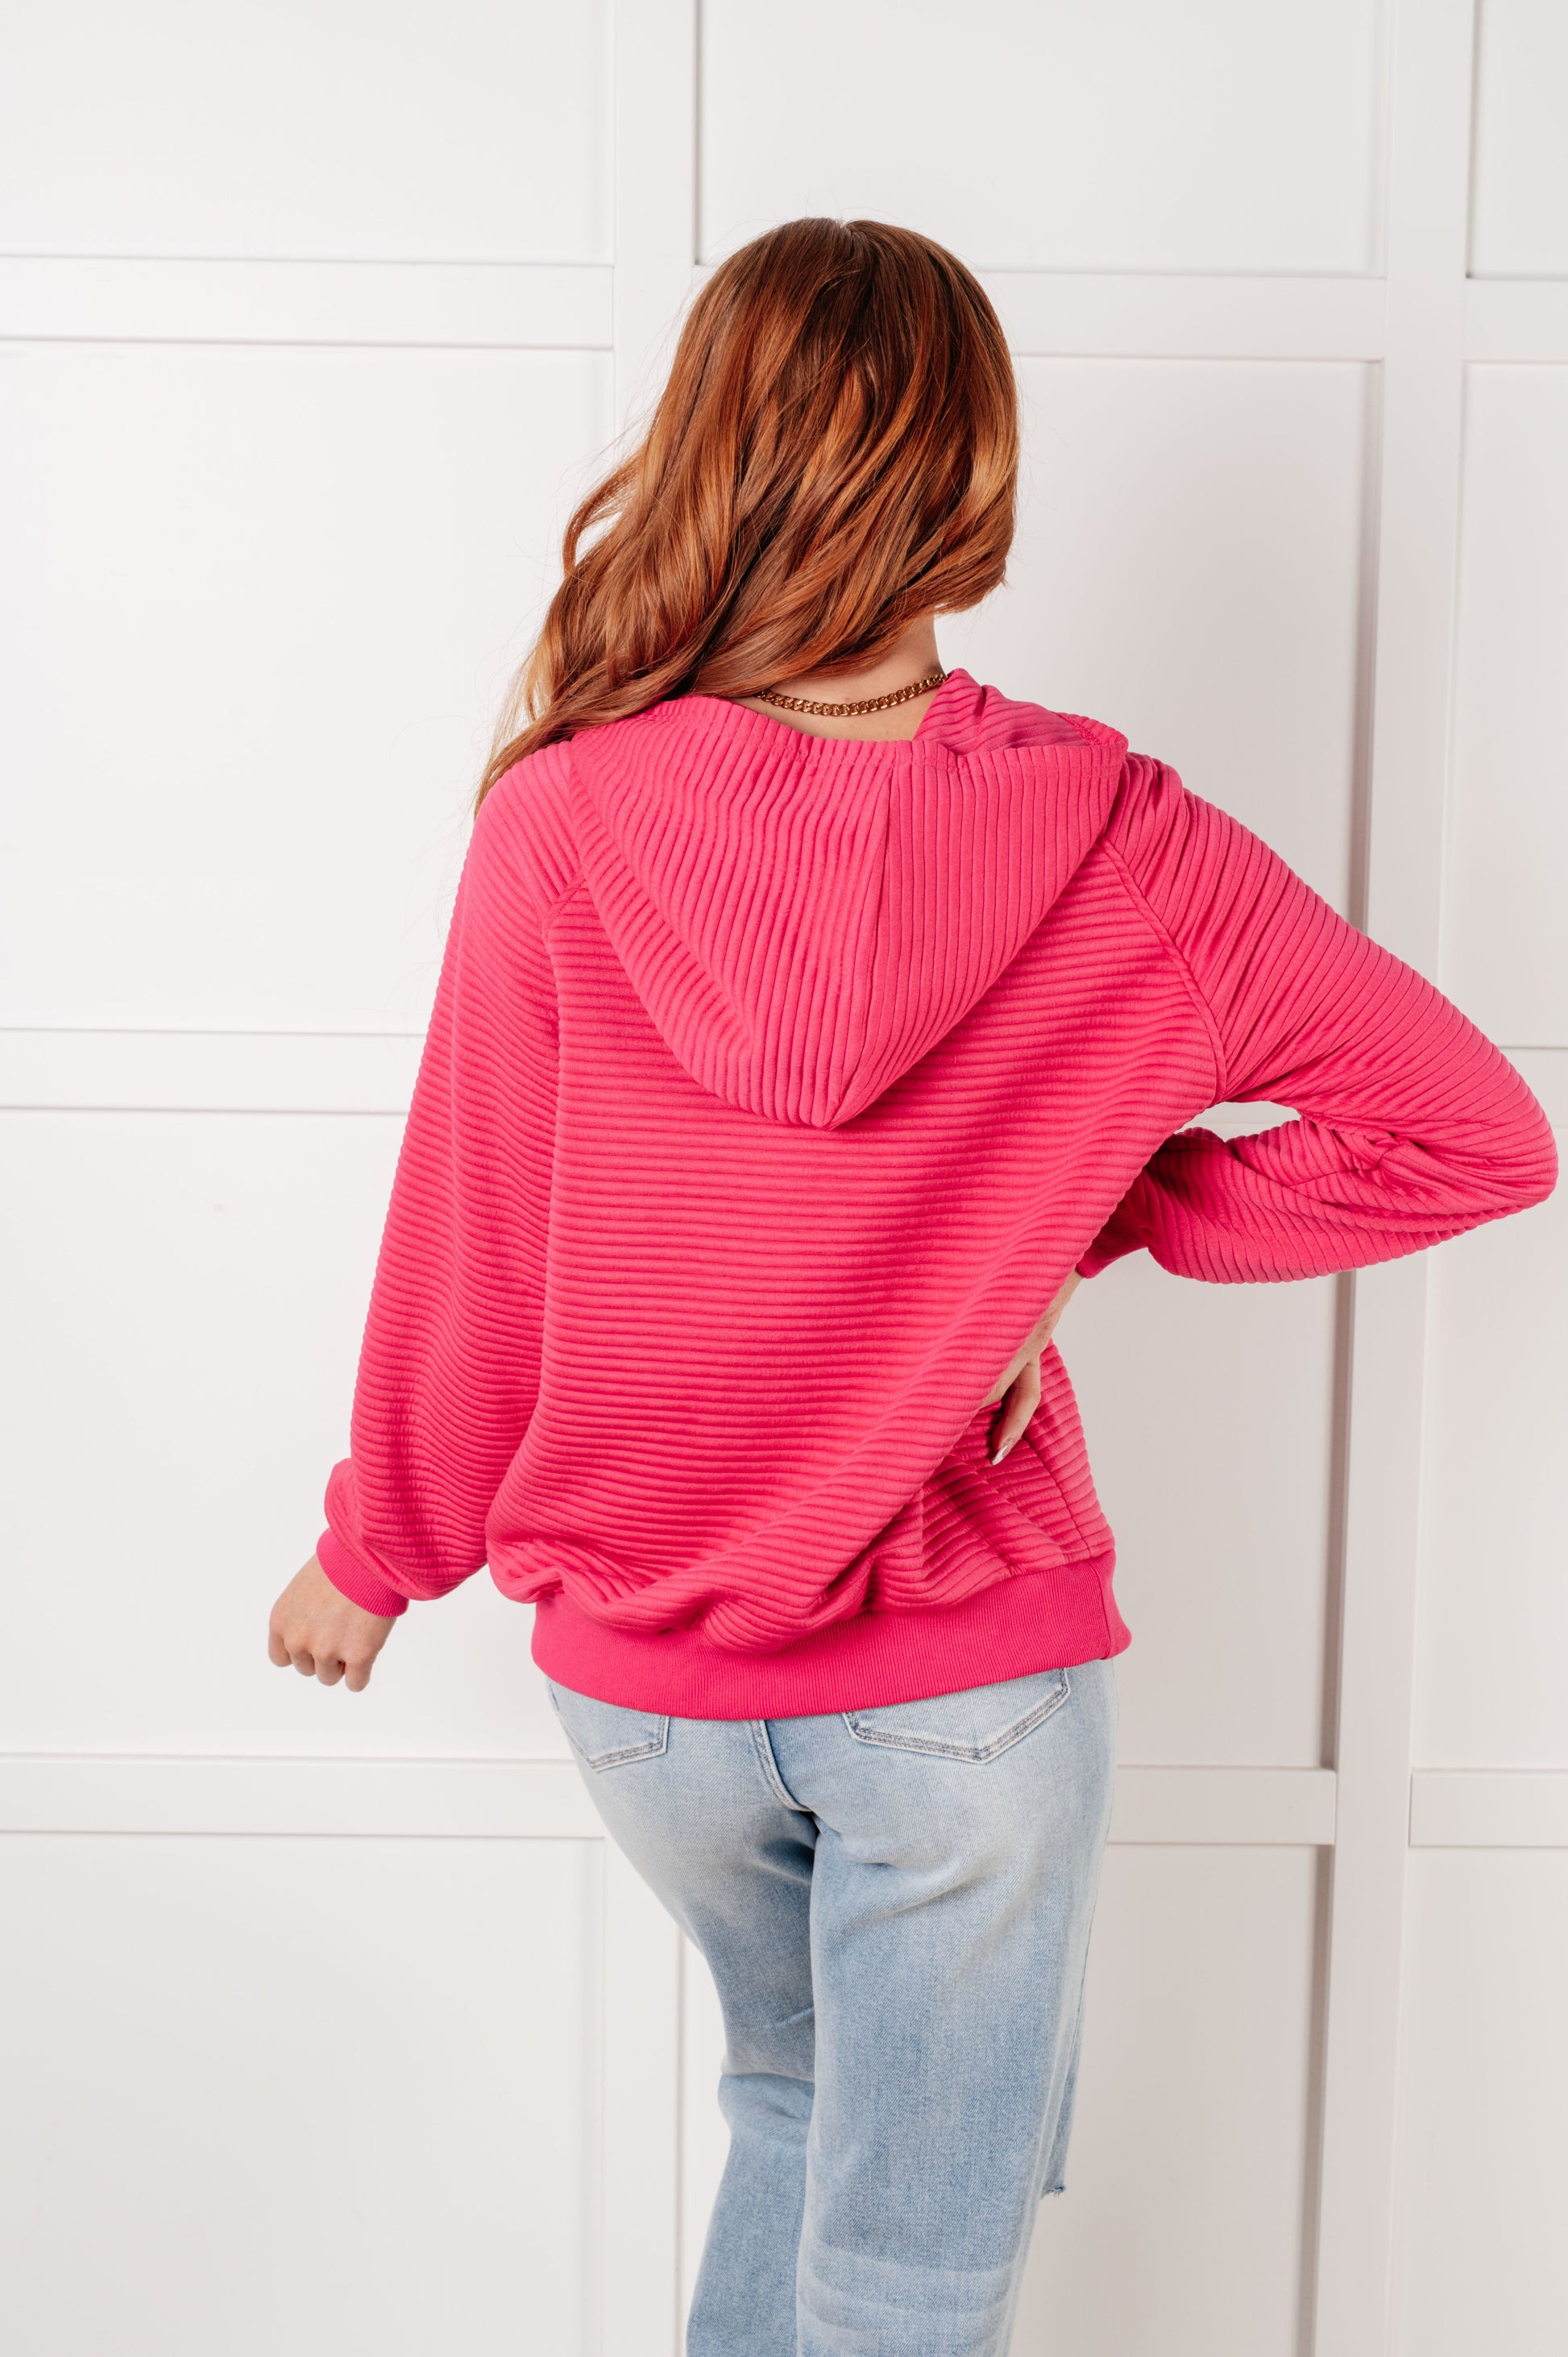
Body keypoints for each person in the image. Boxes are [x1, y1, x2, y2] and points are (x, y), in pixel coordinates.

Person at [267, 218, 1556, 2357]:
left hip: (647, 1701)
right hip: (961, 1694)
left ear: (708, 448)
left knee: (792, 2115)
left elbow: (472, 1242)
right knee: (912, 2276)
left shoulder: (564, 819)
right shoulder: (1119, 835)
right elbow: (1469, 1135)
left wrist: (375, 1554)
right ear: (972, 468)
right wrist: (1078, 1219)